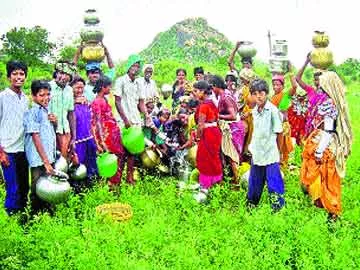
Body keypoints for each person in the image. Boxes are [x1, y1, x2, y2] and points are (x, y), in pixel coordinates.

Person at [300, 71, 352, 220]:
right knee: (326, 180)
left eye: (322, 84)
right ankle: (329, 210)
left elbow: (328, 130)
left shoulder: (330, 103)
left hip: (326, 145)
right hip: (326, 143)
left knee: (327, 181)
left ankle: (332, 213)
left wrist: (319, 151)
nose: (320, 87)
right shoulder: (336, 101)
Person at [247, 79, 285, 211]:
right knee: (254, 184)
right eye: (255, 93)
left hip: (270, 154)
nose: (259, 96)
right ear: (251, 95)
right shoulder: (255, 111)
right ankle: (251, 207)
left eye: (261, 93)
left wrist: (279, 152)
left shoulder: (273, 111)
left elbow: (279, 133)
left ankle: (278, 210)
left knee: (274, 184)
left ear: (267, 94)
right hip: (257, 152)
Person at [114, 54, 150, 183]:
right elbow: (117, 101)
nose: (135, 68)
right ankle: (117, 179)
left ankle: (129, 177)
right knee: (122, 150)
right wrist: (125, 120)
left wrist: (146, 115)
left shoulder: (139, 83)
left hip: (135, 120)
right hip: (124, 121)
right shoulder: (121, 81)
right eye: (133, 65)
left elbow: (141, 102)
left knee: (132, 151)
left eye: (137, 66)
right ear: (128, 67)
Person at [0, 61, 30, 215]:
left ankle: (23, 219)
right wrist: (1, 153)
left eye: (22, 74)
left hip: (22, 150)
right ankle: (11, 220)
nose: (19, 77)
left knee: (24, 187)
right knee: (13, 188)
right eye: (15, 74)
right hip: (8, 151)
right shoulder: (2, 97)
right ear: (8, 77)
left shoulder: (25, 98)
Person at [24, 80, 57, 213]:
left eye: (48, 94)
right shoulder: (33, 112)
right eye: (41, 95)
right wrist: (46, 162)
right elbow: (36, 137)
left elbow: (49, 134)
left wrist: (55, 123)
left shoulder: (46, 110)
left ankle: (48, 212)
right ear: (33, 96)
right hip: (39, 160)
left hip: (49, 156)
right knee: (37, 187)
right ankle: (34, 216)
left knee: (48, 186)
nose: (46, 98)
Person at [209, 75, 245, 185]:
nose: (211, 91)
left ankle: (237, 181)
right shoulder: (224, 95)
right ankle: (232, 179)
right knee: (228, 154)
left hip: (233, 129)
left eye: (211, 88)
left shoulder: (225, 97)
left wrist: (218, 115)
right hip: (230, 128)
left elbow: (233, 115)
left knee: (231, 155)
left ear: (215, 86)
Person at [91, 76, 126, 187]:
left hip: (113, 134)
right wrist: (102, 142)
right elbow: (97, 124)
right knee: (112, 160)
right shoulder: (97, 102)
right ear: (102, 87)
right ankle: (112, 185)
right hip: (107, 137)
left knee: (119, 157)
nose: (110, 88)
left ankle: (115, 183)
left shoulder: (104, 99)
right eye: (109, 86)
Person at [193, 80, 222, 194]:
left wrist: (198, 137)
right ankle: (217, 183)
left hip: (208, 133)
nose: (194, 94)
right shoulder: (212, 103)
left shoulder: (204, 106)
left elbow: (200, 125)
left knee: (204, 159)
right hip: (215, 132)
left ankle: (206, 185)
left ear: (203, 91)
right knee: (214, 158)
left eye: (196, 91)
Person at [70, 77, 98, 187]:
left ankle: (90, 187)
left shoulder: (85, 102)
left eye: (82, 88)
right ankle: (77, 189)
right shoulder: (69, 104)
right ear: (71, 88)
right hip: (77, 141)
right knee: (78, 167)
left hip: (89, 139)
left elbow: (91, 122)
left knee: (91, 165)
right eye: (77, 88)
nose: (80, 90)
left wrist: (95, 140)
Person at [49, 61, 77, 160]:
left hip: (65, 131)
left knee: (64, 162)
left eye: (67, 75)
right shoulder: (47, 87)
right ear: (56, 73)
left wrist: (74, 136)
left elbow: (70, 113)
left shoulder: (69, 90)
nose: (64, 77)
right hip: (50, 131)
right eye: (61, 73)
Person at [270, 71, 297, 167]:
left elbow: (294, 86)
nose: (275, 87)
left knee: (283, 148)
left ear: (283, 86)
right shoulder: (272, 97)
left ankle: (283, 167)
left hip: (283, 126)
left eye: (278, 84)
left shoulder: (285, 95)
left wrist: (291, 73)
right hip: (274, 126)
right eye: (274, 84)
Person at [295, 53, 323, 138]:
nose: (317, 82)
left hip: (322, 125)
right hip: (309, 124)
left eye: (319, 80)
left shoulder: (328, 93)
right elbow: (298, 78)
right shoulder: (311, 90)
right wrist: (306, 62)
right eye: (315, 80)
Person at [238, 68, 257, 158]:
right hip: (244, 117)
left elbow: (260, 106)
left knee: (252, 138)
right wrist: (240, 113)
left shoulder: (256, 90)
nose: (242, 81)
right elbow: (239, 103)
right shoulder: (243, 89)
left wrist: (249, 113)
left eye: (243, 79)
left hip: (254, 117)